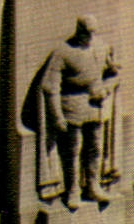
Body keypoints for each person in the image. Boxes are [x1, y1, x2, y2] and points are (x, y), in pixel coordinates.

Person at [40, 16, 121, 210]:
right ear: (78, 30)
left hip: (95, 103)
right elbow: (50, 85)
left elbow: (114, 73)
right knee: (73, 150)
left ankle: (93, 185)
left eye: (93, 32)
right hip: (72, 104)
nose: (90, 37)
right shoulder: (63, 52)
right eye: (86, 32)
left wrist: (106, 88)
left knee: (95, 147)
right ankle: (73, 189)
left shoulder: (101, 47)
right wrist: (57, 115)